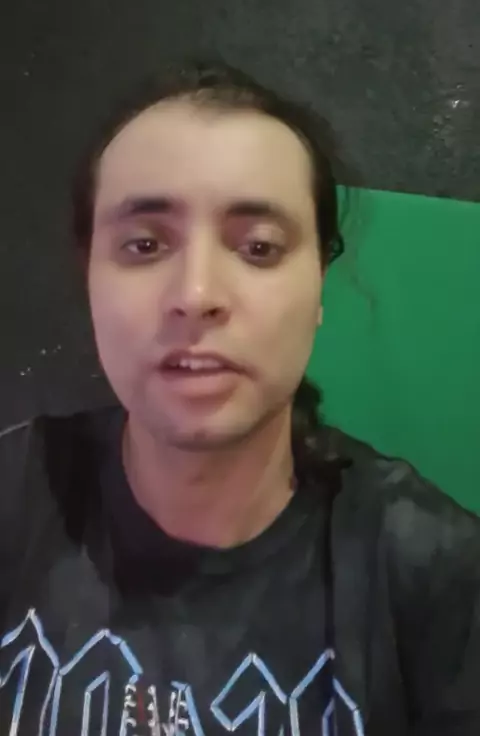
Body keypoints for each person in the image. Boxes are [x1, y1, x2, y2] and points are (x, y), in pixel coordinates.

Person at [0, 60, 479, 736]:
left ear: (319, 286)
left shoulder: (434, 571)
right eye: (145, 244)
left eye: (258, 248)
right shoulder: (16, 492)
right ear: (90, 280)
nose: (196, 294)